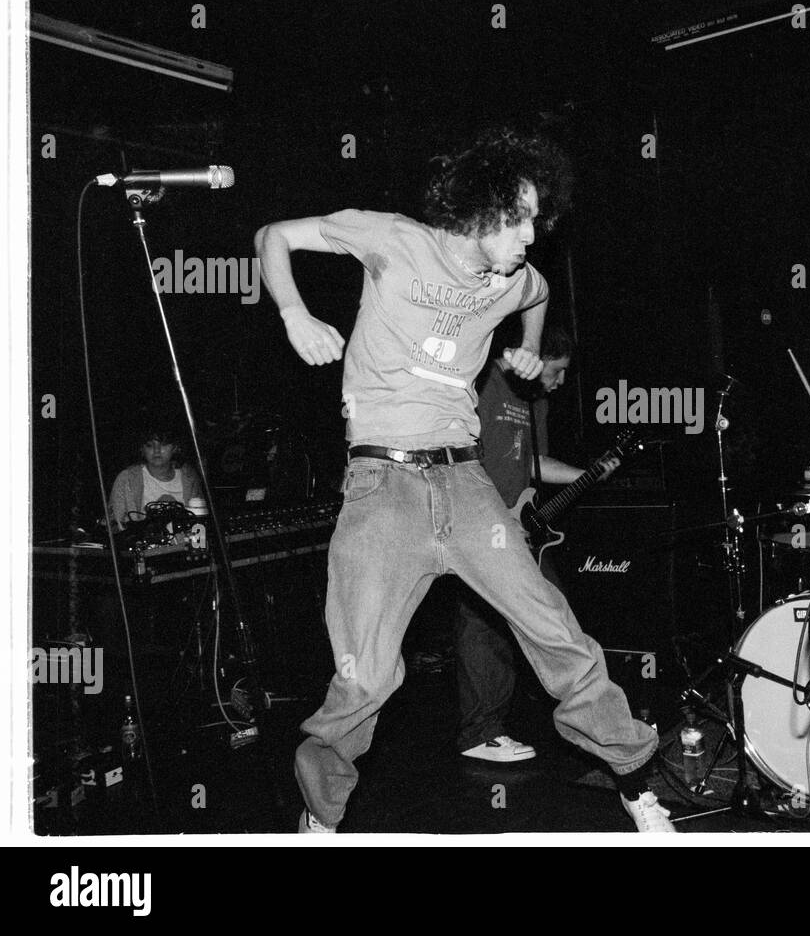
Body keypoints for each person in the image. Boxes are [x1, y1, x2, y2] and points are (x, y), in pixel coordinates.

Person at [255, 128, 673, 832]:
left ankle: (637, 785)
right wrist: (295, 313)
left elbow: (537, 295)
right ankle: (321, 819)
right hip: (382, 482)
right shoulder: (390, 236)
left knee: (555, 630)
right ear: (484, 208)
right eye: (523, 217)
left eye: (540, 220)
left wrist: (533, 349)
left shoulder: (511, 278)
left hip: (466, 481)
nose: (532, 236)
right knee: (365, 672)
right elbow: (273, 235)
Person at [456, 323, 614, 763]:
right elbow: (460, 455)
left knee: (554, 617)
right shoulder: (482, 382)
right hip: (478, 522)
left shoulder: (533, 401)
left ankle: (591, 721)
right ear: (532, 358)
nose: (560, 381)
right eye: (557, 370)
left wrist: (591, 473)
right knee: (483, 624)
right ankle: (479, 733)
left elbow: (534, 464)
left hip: (516, 528)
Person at [107, 426, 201, 529]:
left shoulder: (190, 477)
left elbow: (200, 524)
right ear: (142, 449)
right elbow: (114, 522)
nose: (157, 450)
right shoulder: (126, 478)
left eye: (163, 444)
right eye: (149, 445)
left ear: (175, 447)